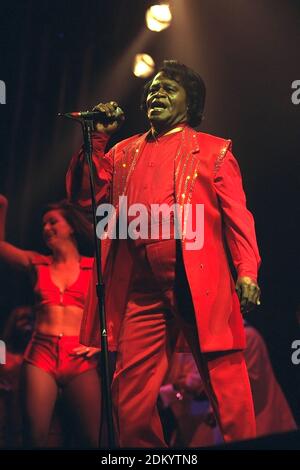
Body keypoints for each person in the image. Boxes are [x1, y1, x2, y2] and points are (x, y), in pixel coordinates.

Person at [66, 60, 261, 447]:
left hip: (198, 280)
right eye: (153, 88)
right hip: (141, 286)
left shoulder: (213, 151)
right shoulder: (124, 152)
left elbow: (238, 218)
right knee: (131, 392)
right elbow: (85, 195)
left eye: (169, 89)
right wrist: (99, 139)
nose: (157, 93)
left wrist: (247, 272)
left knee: (225, 377)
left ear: (190, 105)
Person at [0, 196, 101, 448]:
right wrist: (3, 206)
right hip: (40, 354)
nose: (46, 229)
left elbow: (117, 308)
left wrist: (100, 344)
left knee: (92, 438)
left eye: (53, 222)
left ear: (72, 227)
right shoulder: (37, 263)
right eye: (43, 225)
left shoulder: (94, 268)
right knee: (35, 436)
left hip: (79, 358)